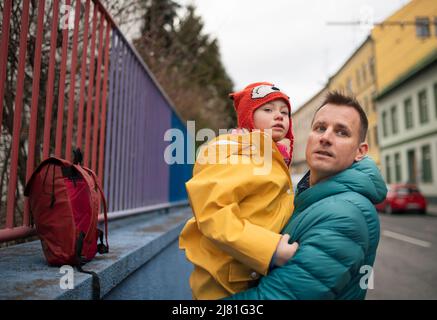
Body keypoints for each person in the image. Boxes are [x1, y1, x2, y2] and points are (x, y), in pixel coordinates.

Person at [226, 91, 387, 300]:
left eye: (341, 132)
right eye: (320, 128)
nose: (325, 138)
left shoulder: (346, 214)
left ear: (360, 151)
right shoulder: (310, 197)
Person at [179, 82, 299, 300]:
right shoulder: (236, 156)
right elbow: (213, 213)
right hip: (224, 280)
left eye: (284, 112)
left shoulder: (273, 160)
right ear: (248, 117)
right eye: (268, 110)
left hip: (249, 272)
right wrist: (269, 249)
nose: (279, 116)